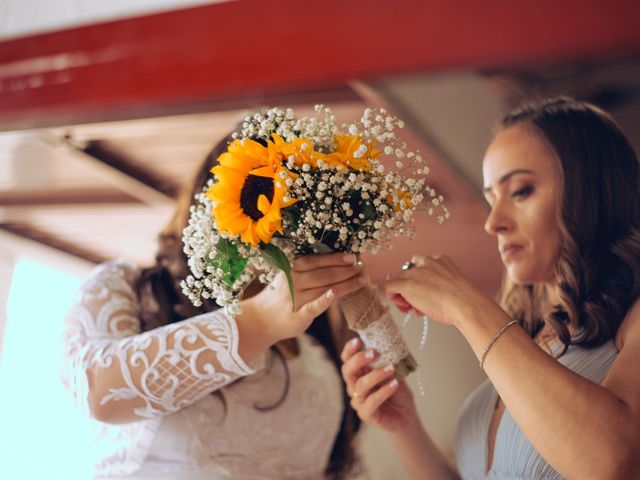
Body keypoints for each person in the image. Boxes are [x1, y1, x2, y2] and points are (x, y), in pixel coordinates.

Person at [341, 97, 640, 479]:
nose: (493, 223)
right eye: (490, 199)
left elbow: (612, 462)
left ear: (591, 191)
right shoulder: (530, 337)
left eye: (520, 191)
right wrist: (406, 429)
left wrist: (467, 306)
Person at [61, 134, 367, 480]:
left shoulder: (320, 350)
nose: (283, 223)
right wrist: (261, 320)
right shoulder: (127, 289)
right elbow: (98, 392)